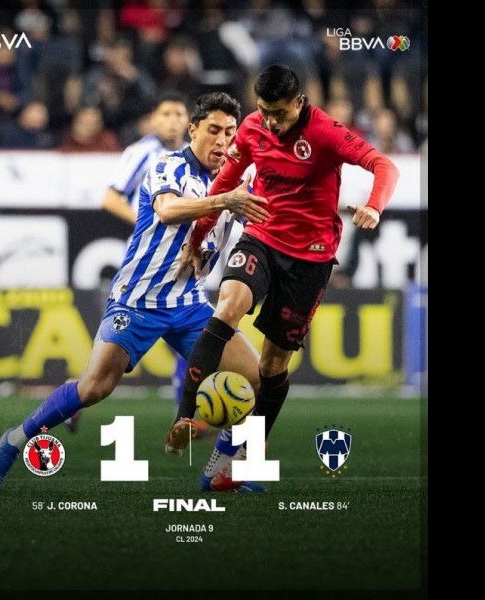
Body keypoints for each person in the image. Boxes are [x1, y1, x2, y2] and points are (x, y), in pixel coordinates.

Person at [0, 91, 270, 492]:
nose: (222, 141)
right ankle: (16, 439)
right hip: (138, 300)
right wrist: (225, 201)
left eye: (229, 132)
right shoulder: (168, 166)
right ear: (193, 130)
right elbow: (167, 210)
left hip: (189, 304)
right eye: (213, 130)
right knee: (95, 387)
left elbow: (263, 223)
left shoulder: (236, 180)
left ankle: (223, 469)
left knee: (259, 378)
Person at [167, 65, 399, 490]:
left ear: (299, 102)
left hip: (310, 257)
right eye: (264, 111)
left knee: (272, 367)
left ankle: (243, 456)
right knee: (227, 307)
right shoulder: (253, 129)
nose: (271, 122)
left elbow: (384, 166)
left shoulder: (326, 132)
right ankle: (184, 416)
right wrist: (197, 238)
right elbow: (224, 185)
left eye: (279, 113)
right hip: (260, 238)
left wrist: (374, 206)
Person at [101, 90, 192, 422]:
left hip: (182, 261)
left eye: (179, 114)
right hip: (146, 264)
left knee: (192, 340)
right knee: (111, 359)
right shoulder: (142, 152)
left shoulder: (191, 155)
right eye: (166, 114)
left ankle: (185, 418)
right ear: (153, 119)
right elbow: (111, 198)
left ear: (189, 121)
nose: (173, 121)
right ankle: (74, 393)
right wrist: (148, 221)